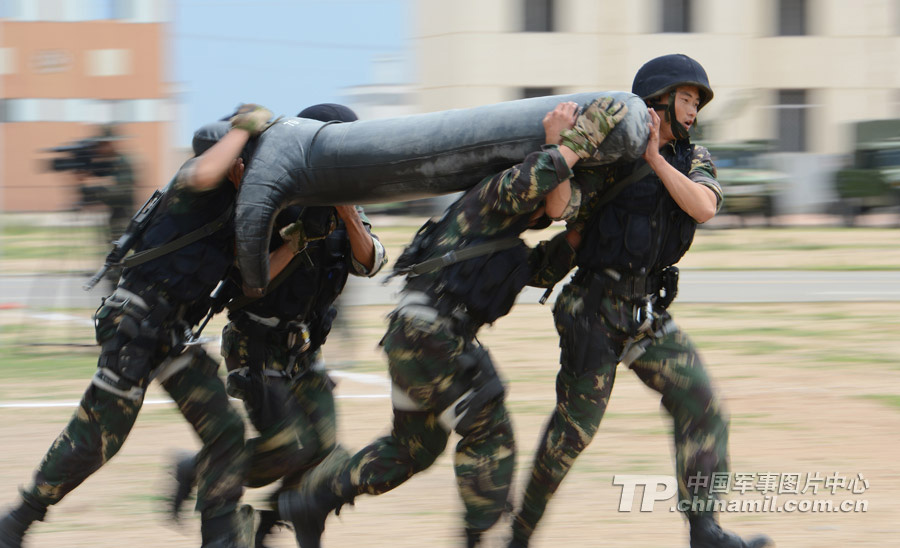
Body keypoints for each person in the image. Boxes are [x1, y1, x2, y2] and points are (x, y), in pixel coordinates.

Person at [274, 96, 631, 548]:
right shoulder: (494, 195)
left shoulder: (503, 236)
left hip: (415, 337)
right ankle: (475, 536)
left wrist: (583, 233)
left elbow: (541, 268)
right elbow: (534, 182)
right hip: (432, 337)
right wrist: (568, 139)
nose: (558, 209)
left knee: (413, 448)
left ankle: (313, 502)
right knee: (489, 430)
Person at [508, 54, 773, 548]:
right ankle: (519, 535)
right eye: (687, 99)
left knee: (702, 404)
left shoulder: (693, 160)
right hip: (594, 309)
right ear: (660, 101)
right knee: (573, 434)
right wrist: (558, 148)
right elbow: (560, 207)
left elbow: (704, 206)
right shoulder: (612, 159)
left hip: (647, 312)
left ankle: (704, 531)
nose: (694, 110)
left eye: (697, 102)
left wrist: (656, 159)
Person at [0, 104, 277, 548]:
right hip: (136, 320)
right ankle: (17, 521)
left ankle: (221, 537)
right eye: (242, 160)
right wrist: (243, 127)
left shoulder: (236, 212)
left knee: (225, 429)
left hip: (170, 333)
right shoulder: (193, 181)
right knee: (99, 438)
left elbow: (250, 283)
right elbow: (207, 173)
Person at [167, 103, 388, 548]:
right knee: (291, 447)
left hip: (305, 352)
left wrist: (344, 213)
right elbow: (249, 283)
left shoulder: (344, 205)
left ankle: (274, 520)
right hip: (258, 343)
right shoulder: (272, 193)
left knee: (325, 453)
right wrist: (297, 237)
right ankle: (201, 469)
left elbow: (372, 262)